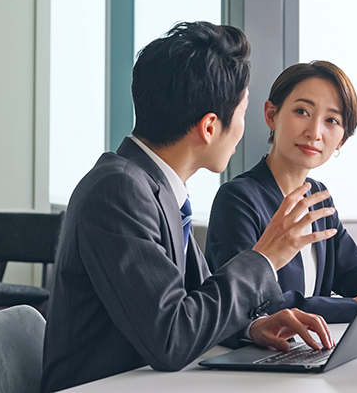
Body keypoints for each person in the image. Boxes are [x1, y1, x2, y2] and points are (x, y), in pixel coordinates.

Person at [42, 22, 338, 392]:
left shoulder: (158, 188)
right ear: (210, 127)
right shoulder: (118, 190)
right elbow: (171, 339)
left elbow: (196, 304)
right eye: (243, 112)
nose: (243, 127)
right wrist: (264, 257)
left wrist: (250, 327)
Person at [206, 61, 357, 324]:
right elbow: (249, 303)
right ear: (271, 115)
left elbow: (354, 274)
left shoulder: (317, 196)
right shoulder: (238, 198)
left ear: (342, 139)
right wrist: (356, 306)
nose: (314, 132)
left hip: (313, 347)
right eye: (302, 111)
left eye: (332, 120)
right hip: (260, 354)